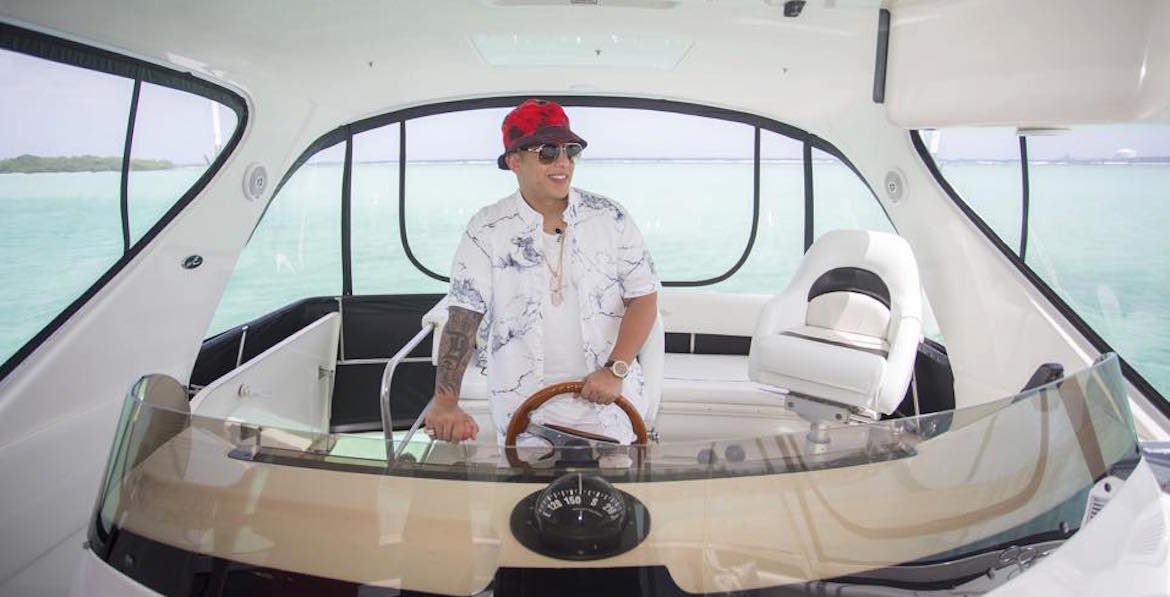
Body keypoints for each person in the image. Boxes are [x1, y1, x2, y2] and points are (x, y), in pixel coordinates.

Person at [424, 98, 660, 446]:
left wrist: (616, 369)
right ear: (514, 161)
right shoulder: (486, 229)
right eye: (548, 151)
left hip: (612, 406)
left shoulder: (611, 217)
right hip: (525, 413)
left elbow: (644, 298)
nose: (563, 162)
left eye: (571, 150)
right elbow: (463, 317)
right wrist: (446, 402)